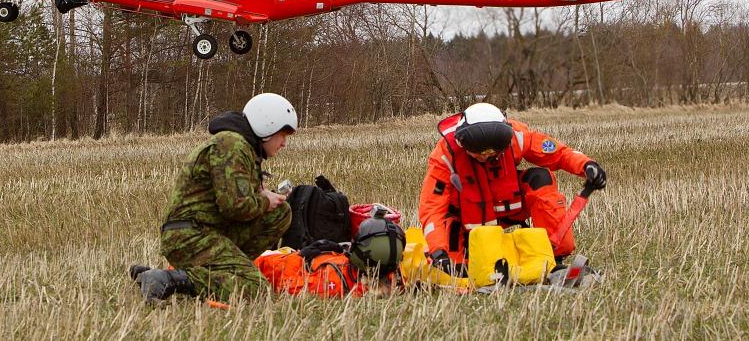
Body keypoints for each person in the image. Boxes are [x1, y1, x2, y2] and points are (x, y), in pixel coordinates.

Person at [131, 93, 297, 303]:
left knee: (281, 213)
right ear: (267, 128)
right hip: (190, 235)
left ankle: (225, 272)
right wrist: (265, 201)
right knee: (257, 291)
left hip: (204, 231)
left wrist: (262, 197)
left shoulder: (241, 147)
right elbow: (234, 207)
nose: (284, 144)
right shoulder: (232, 145)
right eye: (283, 135)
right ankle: (170, 279)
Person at [418, 102, 607, 273]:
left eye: (493, 152)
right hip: (468, 221)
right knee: (453, 269)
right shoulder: (445, 155)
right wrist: (438, 251)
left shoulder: (516, 137)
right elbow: (432, 207)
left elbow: (558, 153)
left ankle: (553, 256)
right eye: (480, 153)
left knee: (540, 178)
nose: (486, 156)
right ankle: (457, 260)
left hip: (509, 208)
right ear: (464, 143)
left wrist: (587, 165)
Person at [254, 210, 406, 298]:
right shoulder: (398, 278)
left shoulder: (332, 279)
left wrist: (300, 256)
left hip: (276, 263)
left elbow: (277, 272)